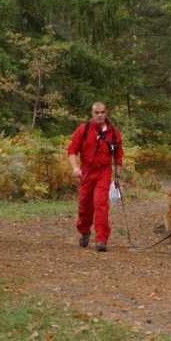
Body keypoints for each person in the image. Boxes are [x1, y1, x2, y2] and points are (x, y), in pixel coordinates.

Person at [67, 102, 123, 252]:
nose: (100, 115)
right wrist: (75, 167)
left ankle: (101, 240)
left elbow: (118, 156)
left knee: (100, 204)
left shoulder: (113, 132)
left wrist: (117, 176)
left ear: (106, 113)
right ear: (92, 113)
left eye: (102, 112)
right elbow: (72, 150)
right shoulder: (83, 129)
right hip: (86, 171)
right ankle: (84, 231)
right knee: (85, 205)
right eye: (97, 112)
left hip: (104, 172)